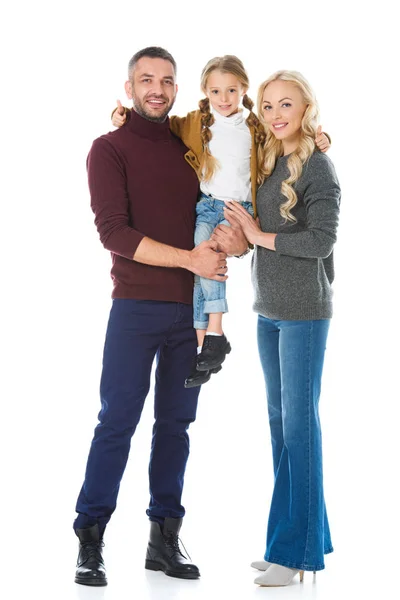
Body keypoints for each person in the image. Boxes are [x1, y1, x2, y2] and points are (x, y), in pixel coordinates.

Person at [73, 46, 248, 587]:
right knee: (116, 423)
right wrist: (189, 258)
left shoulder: (192, 143)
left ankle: (163, 540)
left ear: (177, 90)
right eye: (146, 79)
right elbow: (114, 233)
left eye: (167, 80)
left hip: (191, 310)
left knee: (176, 426)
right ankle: (91, 538)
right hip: (135, 307)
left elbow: (226, 212)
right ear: (129, 89)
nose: (157, 88)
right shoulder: (108, 148)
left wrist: (232, 244)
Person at [111, 56, 331, 388]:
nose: (224, 98)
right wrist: (123, 117)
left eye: (231, 90)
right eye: (215, 91)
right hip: (208, 207)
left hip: (239, 209)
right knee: (201, 264)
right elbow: (158, 124)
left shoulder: (257, 126)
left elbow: (287, 142)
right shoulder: (195, 122)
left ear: (244, 89)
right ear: (205, 92)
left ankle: (212, 334)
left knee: (209, 263)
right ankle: (207, 339)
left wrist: (320, 137)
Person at [223, 70, 340, 587]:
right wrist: (239, 238)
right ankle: (291, 540)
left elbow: (319, 243)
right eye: (267, 106)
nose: (274, 115)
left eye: (285, 104)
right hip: (267, 310)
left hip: (304, 313)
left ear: (305, 107)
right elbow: (260, 238)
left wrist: (256, 233)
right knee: (281, 427)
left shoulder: (320, 167)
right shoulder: (267, 161)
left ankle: (296, 555)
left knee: (299, 428)